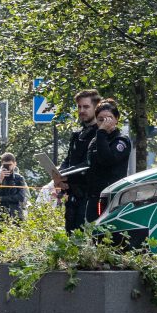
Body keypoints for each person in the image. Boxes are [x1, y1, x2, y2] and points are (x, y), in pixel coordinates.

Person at [59, 89, 101, 232]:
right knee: (70, 236)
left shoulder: (100, 134)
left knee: (85, 238)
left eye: (86, 107)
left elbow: (89, 164)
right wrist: (59, 174)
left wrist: (66, 174)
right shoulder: (77, 135)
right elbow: (68, 160)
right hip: (73, 196)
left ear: (96, 107)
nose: (81, 110)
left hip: (90, 196)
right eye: (79, 107)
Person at [84, 99, 132, 222]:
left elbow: (107, 159)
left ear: (116, 119)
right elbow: (90, 165)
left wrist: (102, 132)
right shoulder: (96, 141)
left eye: (109, 119)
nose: (105, 123)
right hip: (94, 196)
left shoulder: (121, 140)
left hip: (111, 197)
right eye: (101, 120)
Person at [0, 153, 28, 229]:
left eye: (10, 165)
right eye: (5, 165)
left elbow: (21, 197)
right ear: (2, 164)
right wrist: (0, 181)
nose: (8, 167)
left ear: (15, 164)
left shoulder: (19, 178)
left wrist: (2, 198)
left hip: (16, 215)